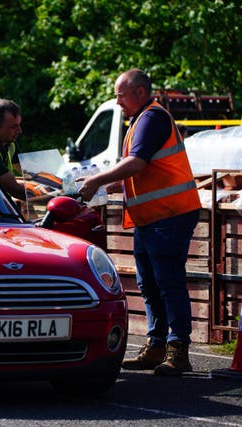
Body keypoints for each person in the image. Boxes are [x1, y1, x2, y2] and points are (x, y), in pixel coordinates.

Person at [77, 68, 201, 376]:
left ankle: (178, 349)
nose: (117, 101)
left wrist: (96, 181)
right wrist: (102, 185)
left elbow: (136, 163)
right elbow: (139, 173)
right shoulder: (140, 120)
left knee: (168, 282)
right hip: (154, 218)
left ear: (140, 93)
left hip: (169, 215)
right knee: (150, 284)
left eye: (121, 94)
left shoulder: (152, 118)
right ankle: (157, 345)